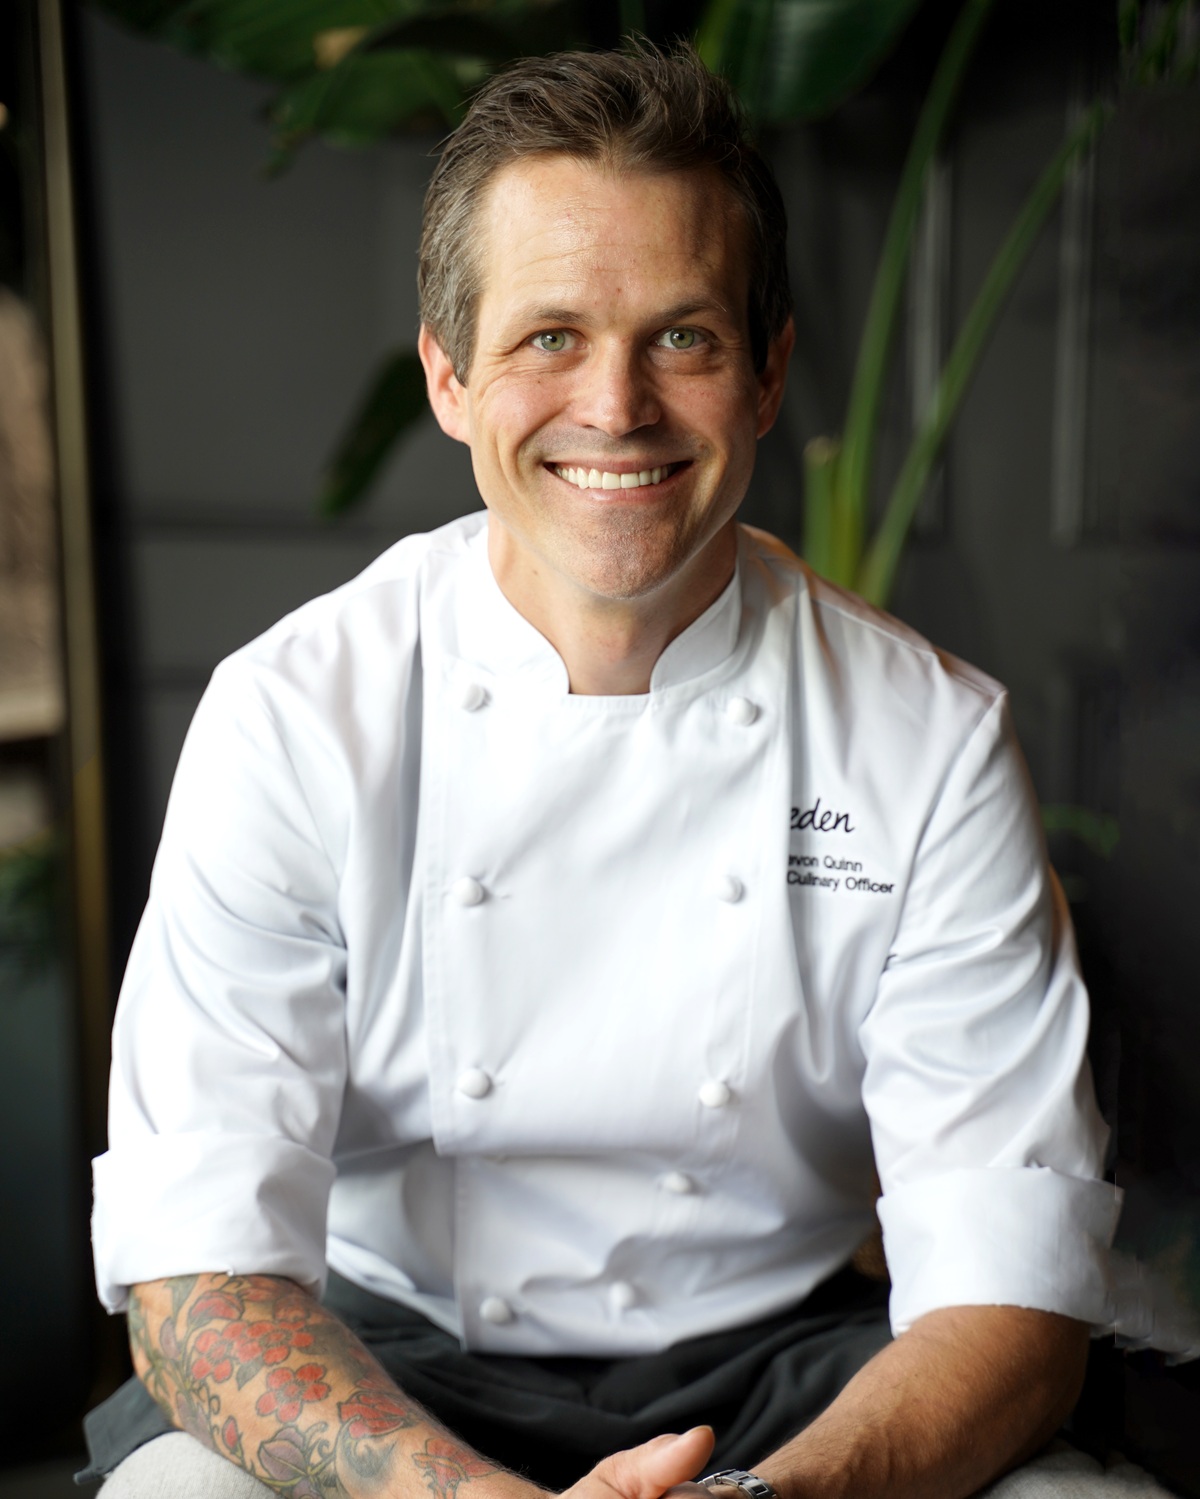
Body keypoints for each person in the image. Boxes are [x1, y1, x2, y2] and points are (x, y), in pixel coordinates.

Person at [85, 41, 1148, 1499]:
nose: (617, 406)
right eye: (548, 339)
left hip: (790, 1366)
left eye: (685, 338)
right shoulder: (292, 718)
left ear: (769, 374)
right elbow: (199, 1277)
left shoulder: (926, 740)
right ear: (448, 377)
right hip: (385, 1356)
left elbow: (1008, 1284)